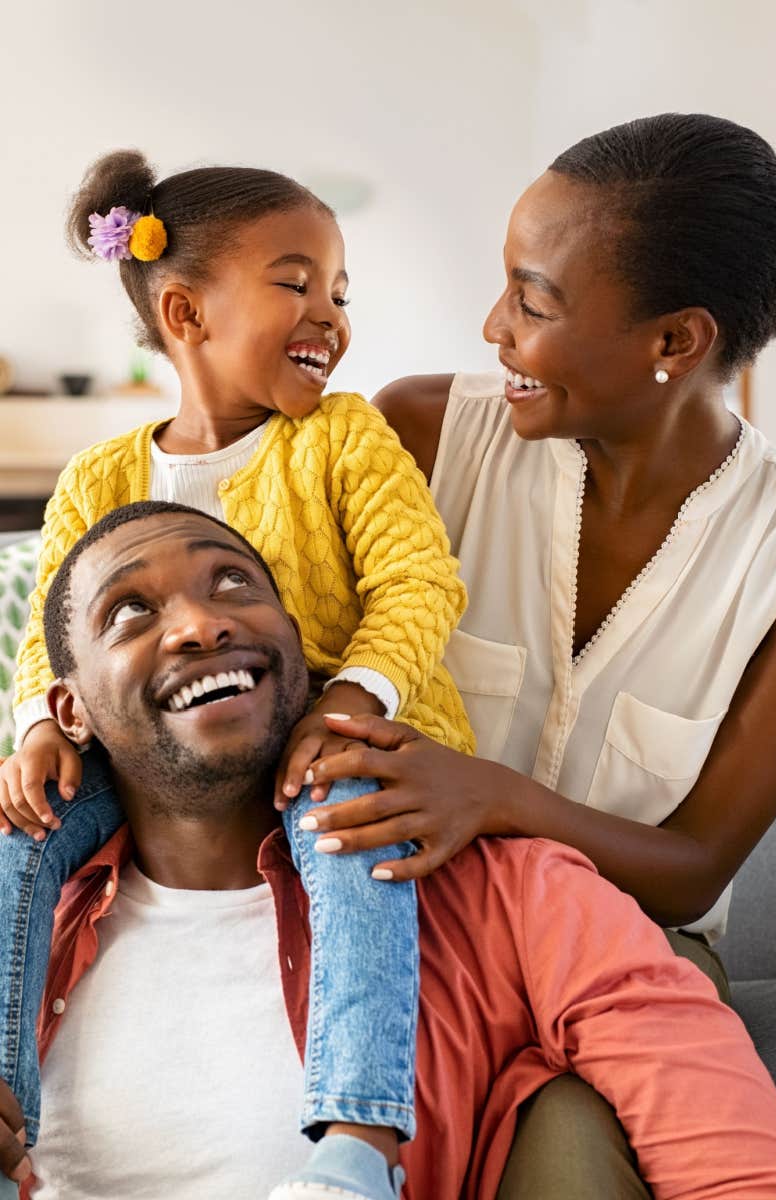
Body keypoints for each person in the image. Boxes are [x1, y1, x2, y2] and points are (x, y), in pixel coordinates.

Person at [284, 114, 776, 1194]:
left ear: (673, 342)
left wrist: (492, 796)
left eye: (533, 301)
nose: (492, 325)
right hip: (400, 926)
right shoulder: (417, 438)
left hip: (634, 961)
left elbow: (694, 868)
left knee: (572, 1157)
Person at [0, 502, 776, 1200]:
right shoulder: (22, 913)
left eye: (232, 583)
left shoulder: (515, 898)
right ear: (68, 712)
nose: (200, 623)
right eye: (131, 612)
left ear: (297, 644)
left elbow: (739, 1164)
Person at [0, 151, 474, 1200]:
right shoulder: (99, 475)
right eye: (296, 283)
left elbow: (418, 582)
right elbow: (55, 629)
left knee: (351, 827)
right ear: (185, 310)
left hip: (337, 737)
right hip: (156, 766)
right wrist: (39, 722)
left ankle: (355, 1145)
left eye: (341, 291)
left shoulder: (345, 438)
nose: (331, 314)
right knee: (17, 843)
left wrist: (353, 699)